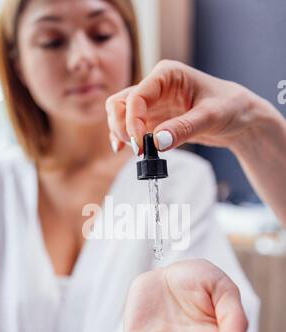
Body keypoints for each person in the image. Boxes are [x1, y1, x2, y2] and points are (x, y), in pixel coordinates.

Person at [0, 0, 258, 332]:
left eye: (101, 34)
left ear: (131, 41)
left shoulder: (180, 181)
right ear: (17, 63)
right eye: (52, 40)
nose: (82, 59)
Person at [106, 59, 286, 226]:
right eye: (74, 39)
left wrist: (251, 128)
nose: (80, 60)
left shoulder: (187, 179)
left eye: (101, 36)